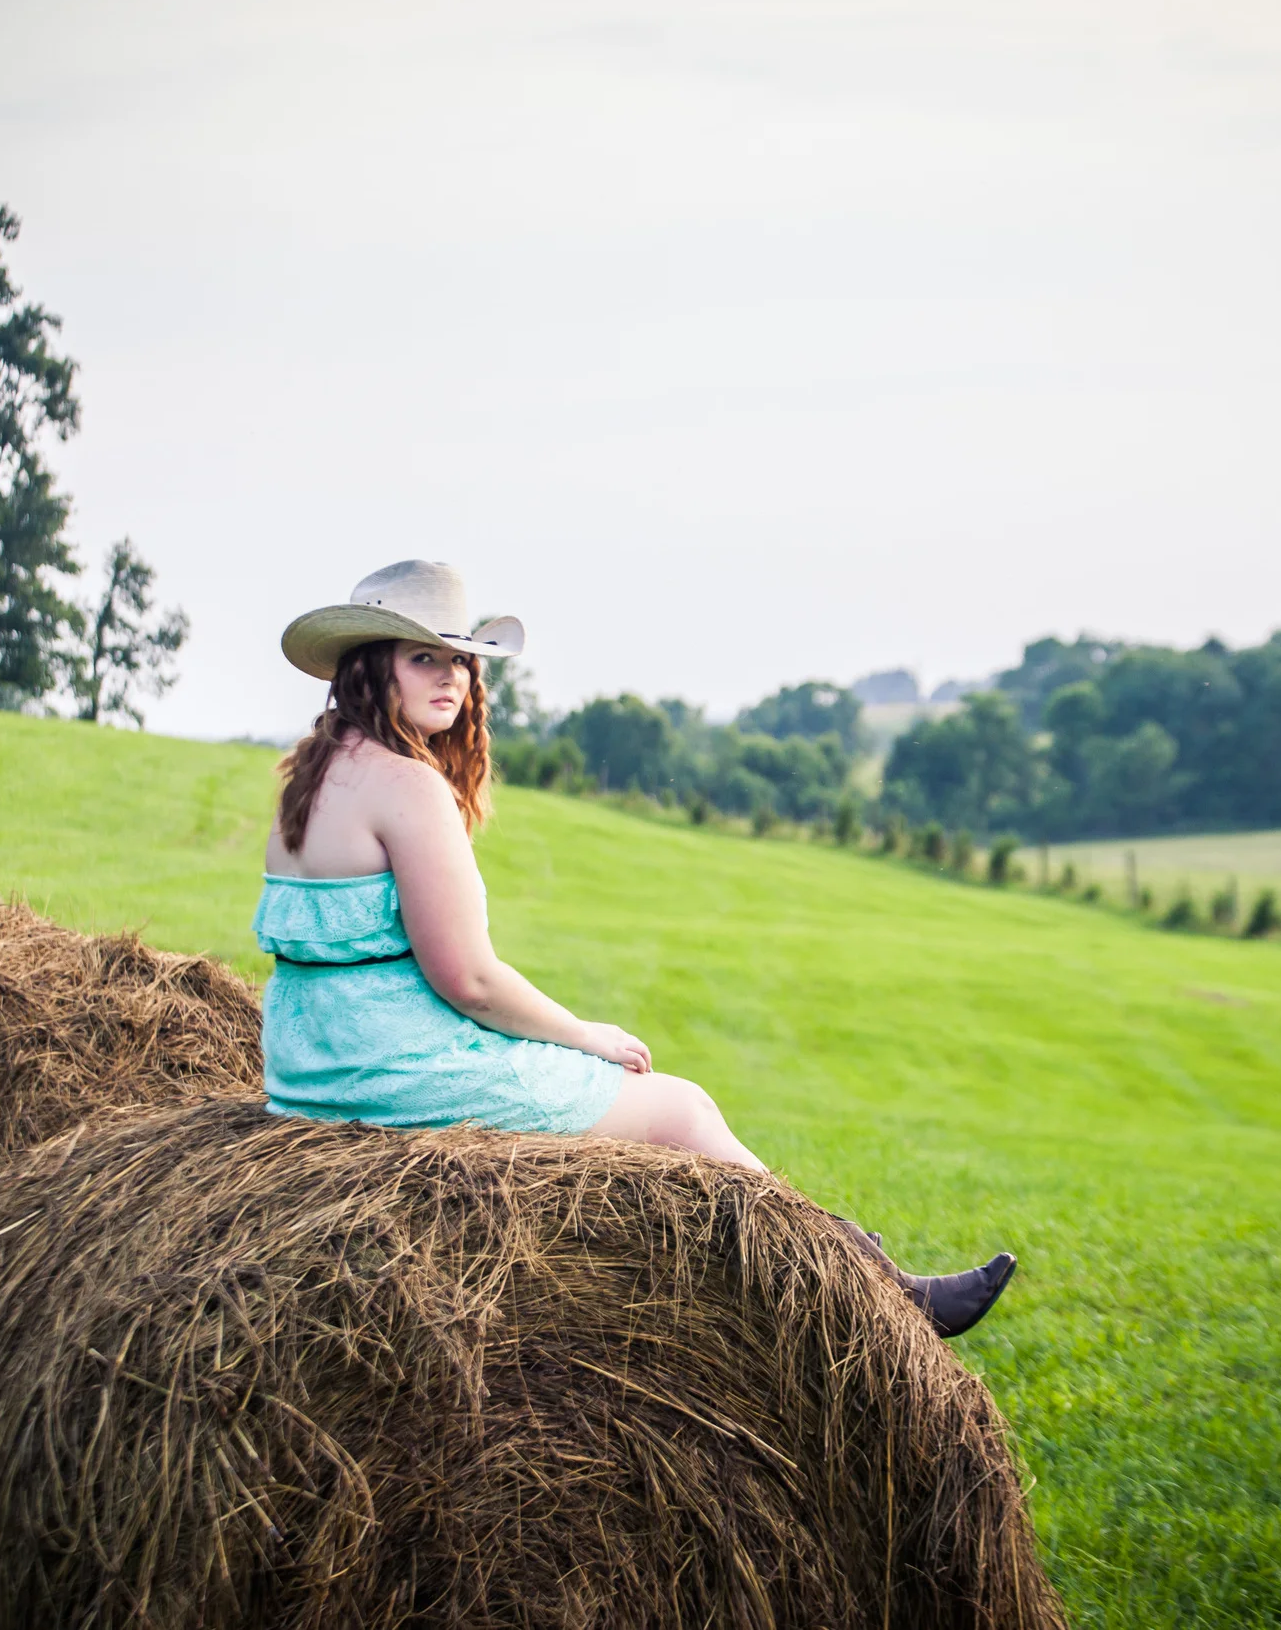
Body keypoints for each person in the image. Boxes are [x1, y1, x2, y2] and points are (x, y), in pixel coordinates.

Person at [260, 560, 1015, 1336]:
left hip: (315, 1063)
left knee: (661, 1106)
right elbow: (469, 979)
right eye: (425, 656)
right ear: (368, 665)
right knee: (682, 1109)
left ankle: (859, 1264)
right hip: (392, 1073)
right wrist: (588, 1037)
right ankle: (874, 1292)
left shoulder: (311, 776)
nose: (452, 675)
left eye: (460, 658)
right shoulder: (406, 785)